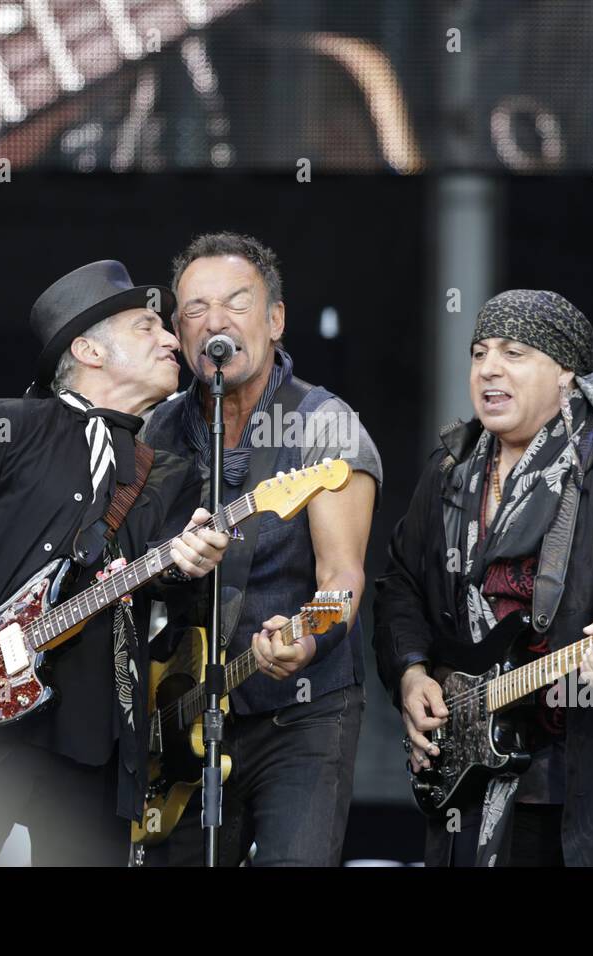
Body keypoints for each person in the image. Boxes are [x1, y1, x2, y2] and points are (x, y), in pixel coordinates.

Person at [0, 260, 230, 865]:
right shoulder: (5, 424)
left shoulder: (167, 474)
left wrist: (190, 560)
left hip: (93, 739)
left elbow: (166, 584)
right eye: (148, 327)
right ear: (89, 348)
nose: (173, 339)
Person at [373, 289, 593, 866]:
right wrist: (411, 676)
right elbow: (402, 583)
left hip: (583, 767)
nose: (488, 368)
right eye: (479, 352)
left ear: (567, 372)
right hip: (475, 768)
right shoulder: (452, 468)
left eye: (514, 353)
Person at [144, 232, 381, 866]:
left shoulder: (323, 423)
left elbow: (342, 574)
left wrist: (307, 637)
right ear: (177, 330)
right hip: (183, 715)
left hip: (299, 715)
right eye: (195, 309)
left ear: (275, 319)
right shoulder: (156, 431)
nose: (214, 322)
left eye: (236, 303)